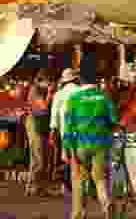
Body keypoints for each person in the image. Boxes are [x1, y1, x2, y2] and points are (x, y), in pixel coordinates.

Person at [62, 67, 117, 219]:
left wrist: (68, 149)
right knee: (100, 179)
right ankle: (106, 202)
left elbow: (68, 127)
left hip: (80, 145)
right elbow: (114, 121)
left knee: (79, 181)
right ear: (98, 80)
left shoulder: (73, 99)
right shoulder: (104, 97)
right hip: (100, 144)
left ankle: (79, 214)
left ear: (80, 80)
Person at [50, 68, 81, 197]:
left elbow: (54, 115)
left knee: (67, 159)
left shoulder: (59, 94)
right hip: (81, 130)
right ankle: (78, 187)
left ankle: (69, 187)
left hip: (65, 131)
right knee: (79, 160)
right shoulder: (81, 91)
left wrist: (52, 132)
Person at [25, 71, 51, 196]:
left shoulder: (37, 90)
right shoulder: (35, 90)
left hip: (38, 124)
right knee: (39, 158)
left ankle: (32, 186)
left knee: (36, 158)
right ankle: (35, 187)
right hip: (35, 124)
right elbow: (44, 107)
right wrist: (50, 93)